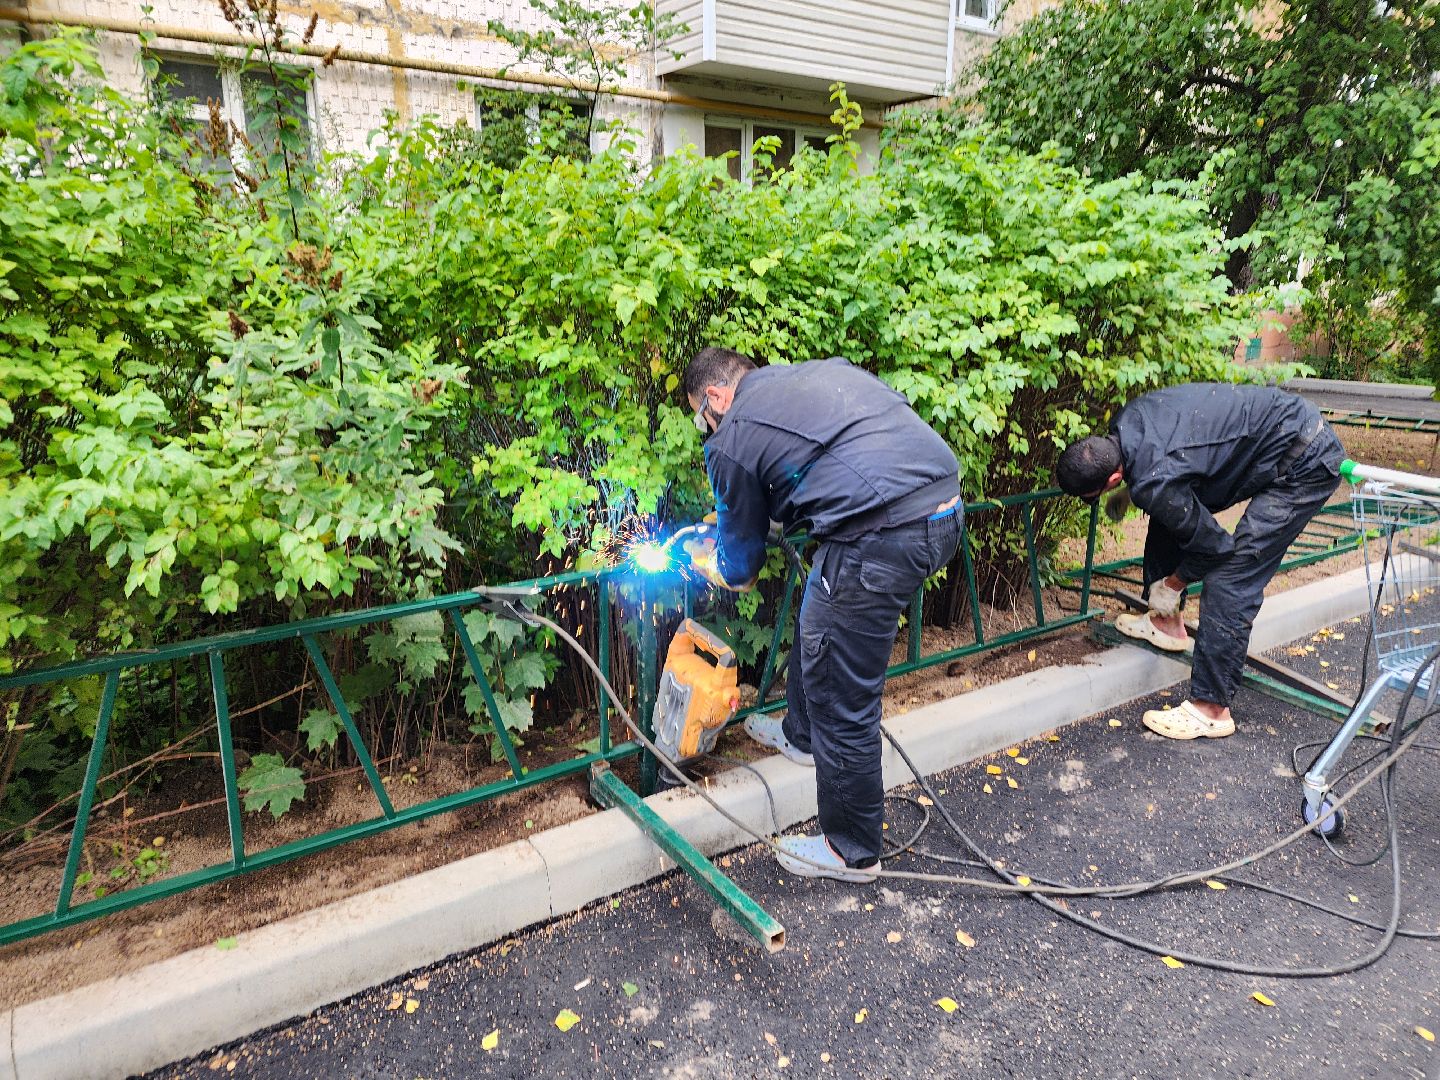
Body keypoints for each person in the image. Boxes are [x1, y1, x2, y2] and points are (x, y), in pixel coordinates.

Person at [681, 347, 963, 883]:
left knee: (841, 692)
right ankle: (801, 736)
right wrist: (742, 515)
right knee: (821, 624)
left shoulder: (731, 436)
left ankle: (850, 850)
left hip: (883, 535)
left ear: (715, 397)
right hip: (944, 509)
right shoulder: (813, 378)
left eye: (701, 417)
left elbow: (740, 571)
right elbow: (817, 476)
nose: (706, 428)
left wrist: (707, 562)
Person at [1055, 382, 1343, 740]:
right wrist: (1136, 491)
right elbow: (1166, 466)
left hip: (1304, 462)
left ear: (1113, 476)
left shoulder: (1154, 480)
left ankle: (1211, 710)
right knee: (1165, 517)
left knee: (1230, 580)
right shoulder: (1128, 422)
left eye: (1092, 496)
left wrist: (1172, 584)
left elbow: (1215, 547)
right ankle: (1165, 624)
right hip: (1278, 429)